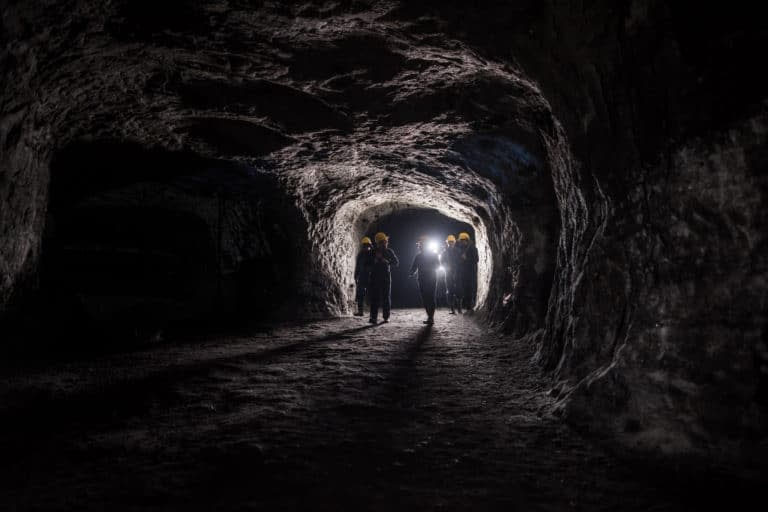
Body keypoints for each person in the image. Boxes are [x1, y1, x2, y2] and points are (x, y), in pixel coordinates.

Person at [367, 231, 399, 324]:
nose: (385, 243)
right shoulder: (373, 252)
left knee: (386, 298)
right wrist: (374, 261)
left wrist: (387, 261)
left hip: (386, 277)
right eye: (383, 241)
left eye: (385, 241)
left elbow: (396, 262)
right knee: (375, 298)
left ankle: (386, 317)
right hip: (375, 277)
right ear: (378, 243)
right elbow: (367, 264)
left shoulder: (389, 251)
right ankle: (373, 318)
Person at [410, 236, 441, 324]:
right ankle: (430, 317)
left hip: (430, 278)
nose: (420, 246)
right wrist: (411, 272)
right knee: (425, 298)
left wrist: (428, 269)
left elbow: (438, 265)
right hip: (422, 279)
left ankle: (431, 317)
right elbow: (414, 266)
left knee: (430, 297)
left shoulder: (433, 255)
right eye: (420, 245)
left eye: (422, 245)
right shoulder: (418, 256)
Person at [456, 232, 479, 311]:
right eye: (461, 240)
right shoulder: (461, 250)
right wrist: (461, 260)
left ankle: (470, 307)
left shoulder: (473, 248)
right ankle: (467, 307)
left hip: (471, 272)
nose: (462, 242)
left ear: (467, 240)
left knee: (470, 289)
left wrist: (466, 259)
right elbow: (458, 261)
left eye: (463, 240)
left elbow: (476, 260)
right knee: (465, 289)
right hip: (463, 273)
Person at [441, 234, 460, 314]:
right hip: (448, 274)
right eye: (449, 242)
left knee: (459, 290)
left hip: (457, 273)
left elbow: (461, 262)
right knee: (450, 290)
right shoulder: (444, 252)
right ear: (447, 242)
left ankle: (459, 308)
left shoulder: (458, 251)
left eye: (452, 241)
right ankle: (452, 309)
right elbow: (441, 262)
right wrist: (446, 267)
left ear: (454, 242)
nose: (450, 243)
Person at [353, 236, 373, 316]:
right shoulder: (360, 254)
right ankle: (360, 311)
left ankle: (373, 312)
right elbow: (358, 265)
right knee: (360, 294)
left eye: (367, 245)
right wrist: (356, 275)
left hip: (370, 277)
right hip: (362, 276)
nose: (366, 246)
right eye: (365, 245)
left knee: (371, 294)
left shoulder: (372, 254)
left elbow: (374, 265)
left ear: (369, 245)